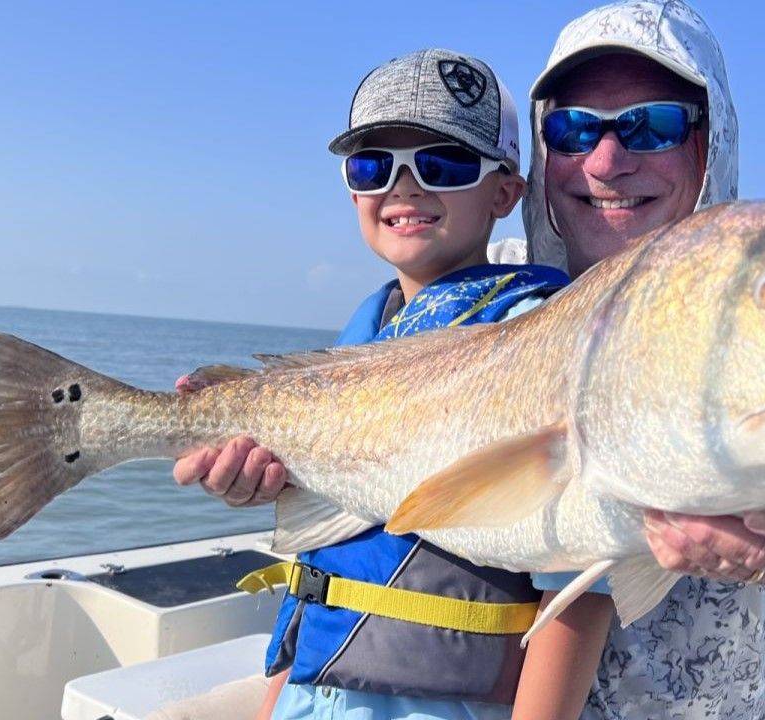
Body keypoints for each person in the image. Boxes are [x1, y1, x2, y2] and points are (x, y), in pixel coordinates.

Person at [178, 3, 765, 719]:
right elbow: (370, 438)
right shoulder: (473, 289)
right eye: (572, 130)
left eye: (650, 126)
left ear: (713, 142)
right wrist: (289, 473)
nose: (604, 161)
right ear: (538, 153)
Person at [215, 48, 570, 720]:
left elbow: (579, 578)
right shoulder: (368, 339)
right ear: (353, 191)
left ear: (505, 192)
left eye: (442, 164)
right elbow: (320, 580)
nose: (402, 188)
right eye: (374, 166)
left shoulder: (530, 337)